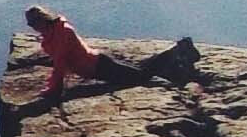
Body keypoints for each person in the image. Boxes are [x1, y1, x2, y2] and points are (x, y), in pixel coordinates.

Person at [24, 8, 200, 100]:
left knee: (141, 76)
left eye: (33, 23)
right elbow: (60, 61)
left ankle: (179, 49)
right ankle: (175, 62)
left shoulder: (62, 32)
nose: (33, 27)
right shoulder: (51, 34)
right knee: (139, 71)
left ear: (42, 20)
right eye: (30, 25)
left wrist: (54, 89)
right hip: (95, 66)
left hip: (98, 66)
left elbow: (60, 62)